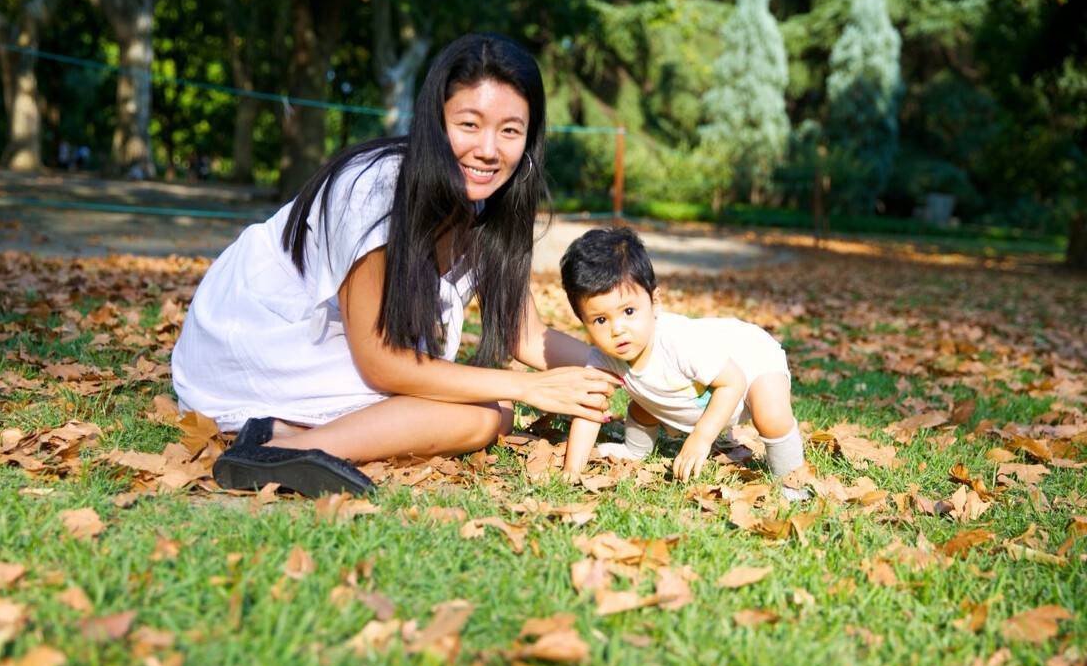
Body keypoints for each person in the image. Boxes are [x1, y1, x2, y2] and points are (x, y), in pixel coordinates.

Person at [171, 33, 619, 496]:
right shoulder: (375, 190)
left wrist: (637, 361)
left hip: (328, 347)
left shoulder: (492, 207)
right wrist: (530, 388)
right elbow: (382, 363)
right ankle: (279, 455)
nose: (489, 149)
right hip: (258, 337)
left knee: (494, 410)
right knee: (489, 412)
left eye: (509, 131)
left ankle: (279, 435)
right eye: (469, 124)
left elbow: (524, 335)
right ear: (435, 122)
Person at [557, 227, 808, 500]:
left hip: (747, 365)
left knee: (770, 414)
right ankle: (635, 450)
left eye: (629, 311)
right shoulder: (603, 358)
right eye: (600, 320)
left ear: (654, 302)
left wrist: (701, 438)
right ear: (584, 323)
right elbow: (589, 410)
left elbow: (733, 382)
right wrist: (572, 469)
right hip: (696, 389)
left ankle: (791, 480)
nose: (618, 329)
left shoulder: (679, 341)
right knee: (644, 397)